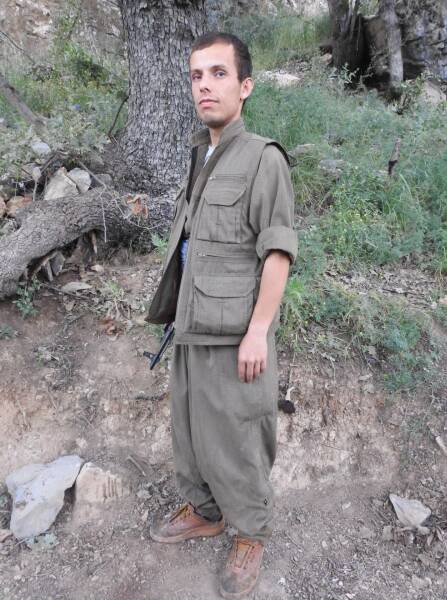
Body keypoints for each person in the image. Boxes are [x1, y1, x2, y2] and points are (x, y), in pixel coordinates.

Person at [146, 31, 298, 599]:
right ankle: (205, 512)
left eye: (218, 73)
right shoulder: (200, 155)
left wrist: (258, 331)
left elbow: (277, 253)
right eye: (196, 76)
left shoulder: (263, 158)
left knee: (239, 436)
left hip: (236, 336)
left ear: (245, 86)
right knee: (189, 430)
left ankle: (250, 534)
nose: (204, 86)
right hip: (191, 325)